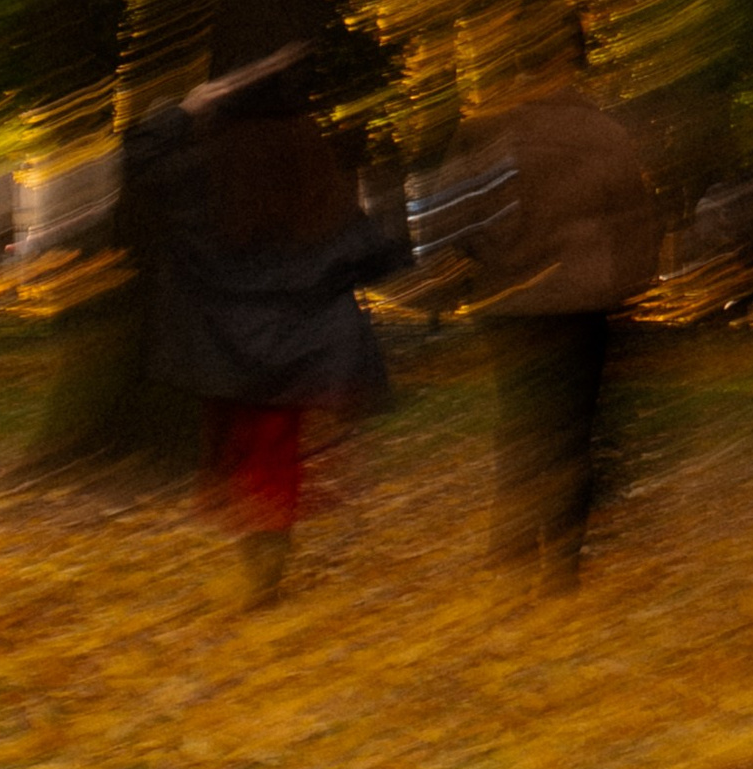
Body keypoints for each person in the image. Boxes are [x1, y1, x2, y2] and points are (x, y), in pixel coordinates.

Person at [125, 46, 407, 610]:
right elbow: (376, 253)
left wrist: (182, 111)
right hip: (301, 353)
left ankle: (260, 576)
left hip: (226, 353)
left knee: (240, 462)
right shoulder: (315, 183)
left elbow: (138, 160)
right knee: (274, 464)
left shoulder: (203, 182)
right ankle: (266, 575)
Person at [436, 42, 658, 587]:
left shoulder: (487, 132)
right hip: (582, 302)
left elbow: (450, 212)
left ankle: (510, 554)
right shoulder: (602, 133)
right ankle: (560, 565)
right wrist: (630, 285)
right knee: (572, 432)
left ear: (518, 66)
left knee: (518, 424)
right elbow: (635, 217)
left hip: (509, 304)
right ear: (571, 65)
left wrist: (466, 272)